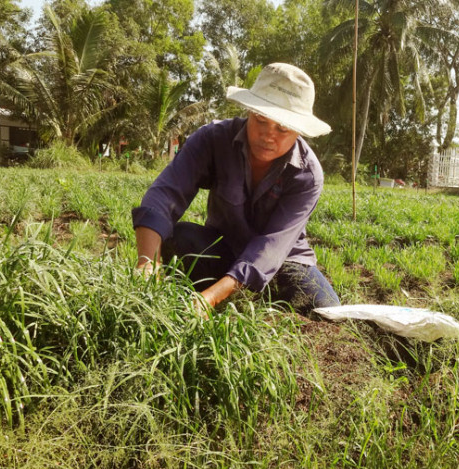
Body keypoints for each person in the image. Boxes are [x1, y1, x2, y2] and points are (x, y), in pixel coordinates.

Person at [132, 63, 340, 315]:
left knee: (324, 309)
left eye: (282, 129)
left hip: (282, 261)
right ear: (250, 112)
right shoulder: (212, 140)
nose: (268, 135)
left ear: (298, 131)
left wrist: (209, 299)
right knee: (180, 237)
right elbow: (166, 193)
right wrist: (147, 263)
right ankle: (220, 287)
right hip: (223, 246)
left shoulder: (307, 174)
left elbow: (271, 247)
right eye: (261, 120)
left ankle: (234, 291)